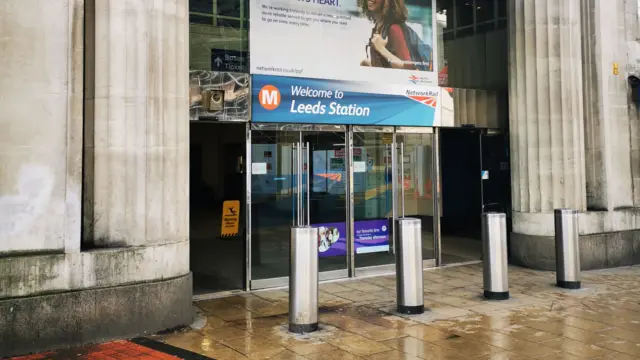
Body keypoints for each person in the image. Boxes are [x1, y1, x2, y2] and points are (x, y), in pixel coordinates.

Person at [360, 0, 414, 70]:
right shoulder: (378, 26)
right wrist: (368, 63)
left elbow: (407, 67)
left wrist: (381, 48)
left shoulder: (394, 29)